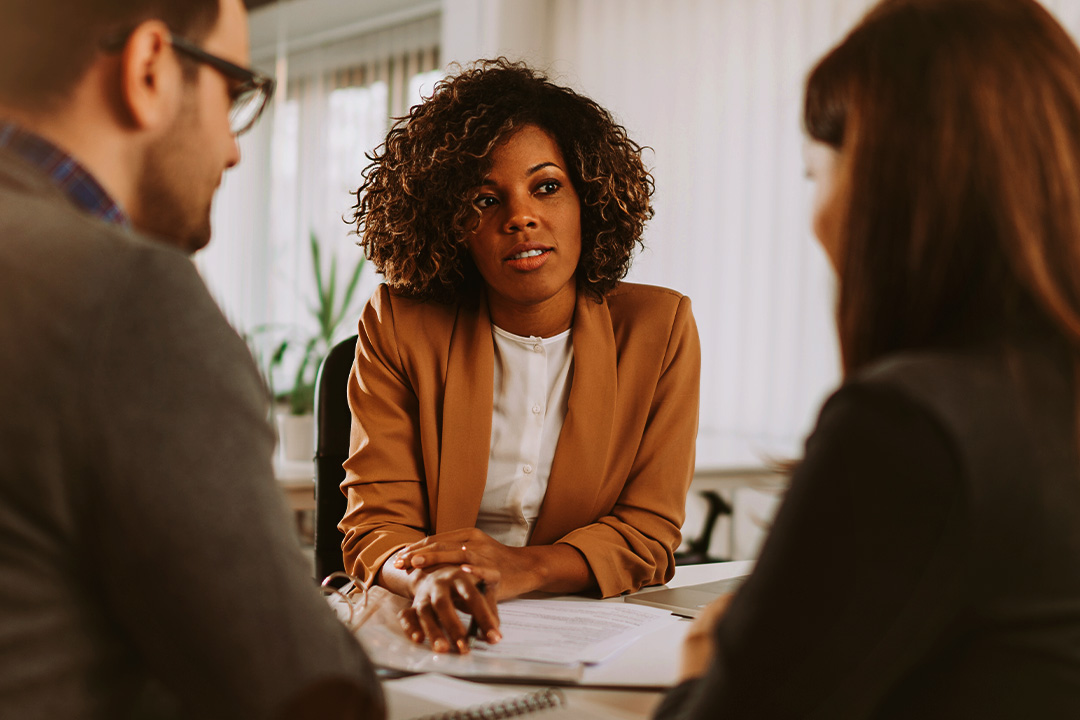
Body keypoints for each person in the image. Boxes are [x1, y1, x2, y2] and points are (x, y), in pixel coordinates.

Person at [654, 0, 1080, 717]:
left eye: (814, 176)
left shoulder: (909, 425)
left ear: (885, 184)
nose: (816, 214)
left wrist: (703, 670)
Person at [0, 0, 383, 717]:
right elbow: (308, 696)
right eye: (234, 93)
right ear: (148, 69)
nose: (235, 149)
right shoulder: (123, 296)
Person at [343, 58, 701, 654]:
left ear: (589, 198)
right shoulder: (399, 323)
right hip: (431, 623)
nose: (520, 217)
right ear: (450, 224)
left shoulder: (659, 328)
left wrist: (524, 567)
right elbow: (376, 527)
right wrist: (433, 578)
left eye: (547, 186)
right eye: (485, 199)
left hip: (587, 634)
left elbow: (648, 533)